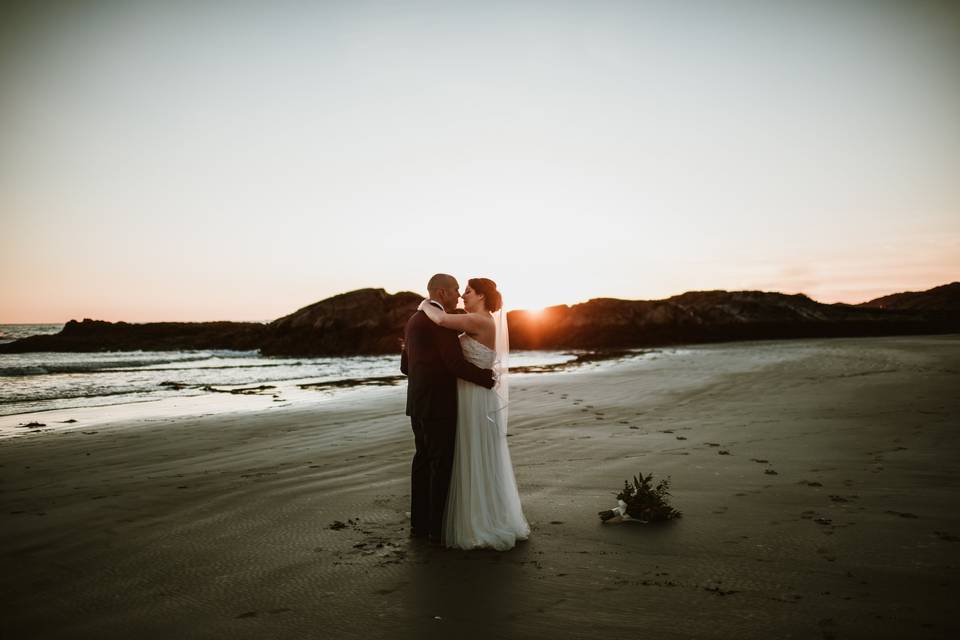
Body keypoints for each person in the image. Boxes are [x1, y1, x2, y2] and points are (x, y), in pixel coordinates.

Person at [417, 277, 530, 550]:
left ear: (481, 296)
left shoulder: (481, 321)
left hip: (474, 397)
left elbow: (441, 321)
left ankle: (481, 519)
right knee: (472, 453)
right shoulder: (479, 321)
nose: (463, 296)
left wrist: (424, 304)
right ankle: (479, 513)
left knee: (474, 452)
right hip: (469, 394)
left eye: (467, 291)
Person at [400, 274, 495, 545]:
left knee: (421, 462)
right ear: (442, 293)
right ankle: (438, 528)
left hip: (417, 404)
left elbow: (405, 367)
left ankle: (419, 525)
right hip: (439, 405)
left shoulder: (413, 319)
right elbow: (454, 364)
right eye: (455, 290)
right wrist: (487, 379)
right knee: (441, 466)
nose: (458, 296)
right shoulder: (437, 322)